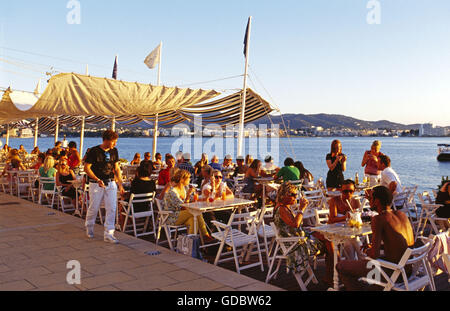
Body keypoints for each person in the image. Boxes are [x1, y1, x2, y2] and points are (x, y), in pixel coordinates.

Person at [336, 186, 415, 291]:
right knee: (366, 272)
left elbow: (374, 255)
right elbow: (400, 243)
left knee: (341, 266)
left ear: (377, 201)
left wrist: (369, 250)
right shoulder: (402, 215)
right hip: (408, 269)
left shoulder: (378, 219)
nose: (369, 201)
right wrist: (379, 246)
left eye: (371, 198)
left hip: (394, 272)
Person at [315, 180, 362, 285]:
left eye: (351, 191)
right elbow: (331, 219)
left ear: (354, 191)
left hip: (349, 230)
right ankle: (354, 270)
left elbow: (358, 218)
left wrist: (355, 216)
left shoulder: (355, 201)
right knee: (354, 243)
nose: (348, 194)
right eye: (345, 191)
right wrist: (346, 217)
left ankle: (354, 269)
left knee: (354, 242)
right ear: (341, 190)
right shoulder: (335, 200)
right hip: (335, 231)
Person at [84, 130, 125, 244]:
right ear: (106, 140)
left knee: (112, 208)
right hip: (96, 183)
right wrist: (97, 179)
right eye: (113, 142)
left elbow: (116, 168)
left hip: (111, 182)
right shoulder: (94, 151)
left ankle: (109, 234)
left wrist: (120, 184)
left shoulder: (114, 151)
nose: (115, 144)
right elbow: (87, 168)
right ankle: (89, 226)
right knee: (94, 207)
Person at [274, 182, 323, 273]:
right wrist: (302, 209)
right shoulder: (281, 209)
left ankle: (332, 273)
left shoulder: (285, 207)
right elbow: (295, 224)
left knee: (324, 237)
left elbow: (294, 225)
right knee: (327, 242)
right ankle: (334, 273)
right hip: (294, 244)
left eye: (296, 194)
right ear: (284, 195)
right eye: (293, 194)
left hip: (296, 239)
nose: (295, 197)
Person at [163, 169, 213, 242]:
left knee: (193, 220)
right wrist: (189, 195)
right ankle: (205, 235)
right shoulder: (172, 192)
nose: (190, 179)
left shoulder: (184, 188)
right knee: (195, 212)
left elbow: (193, 200)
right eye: (188, 178)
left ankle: (191, 245)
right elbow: (183, 207)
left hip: (183, 215)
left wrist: (205, 198)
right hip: (171, 217)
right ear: (182, 179)